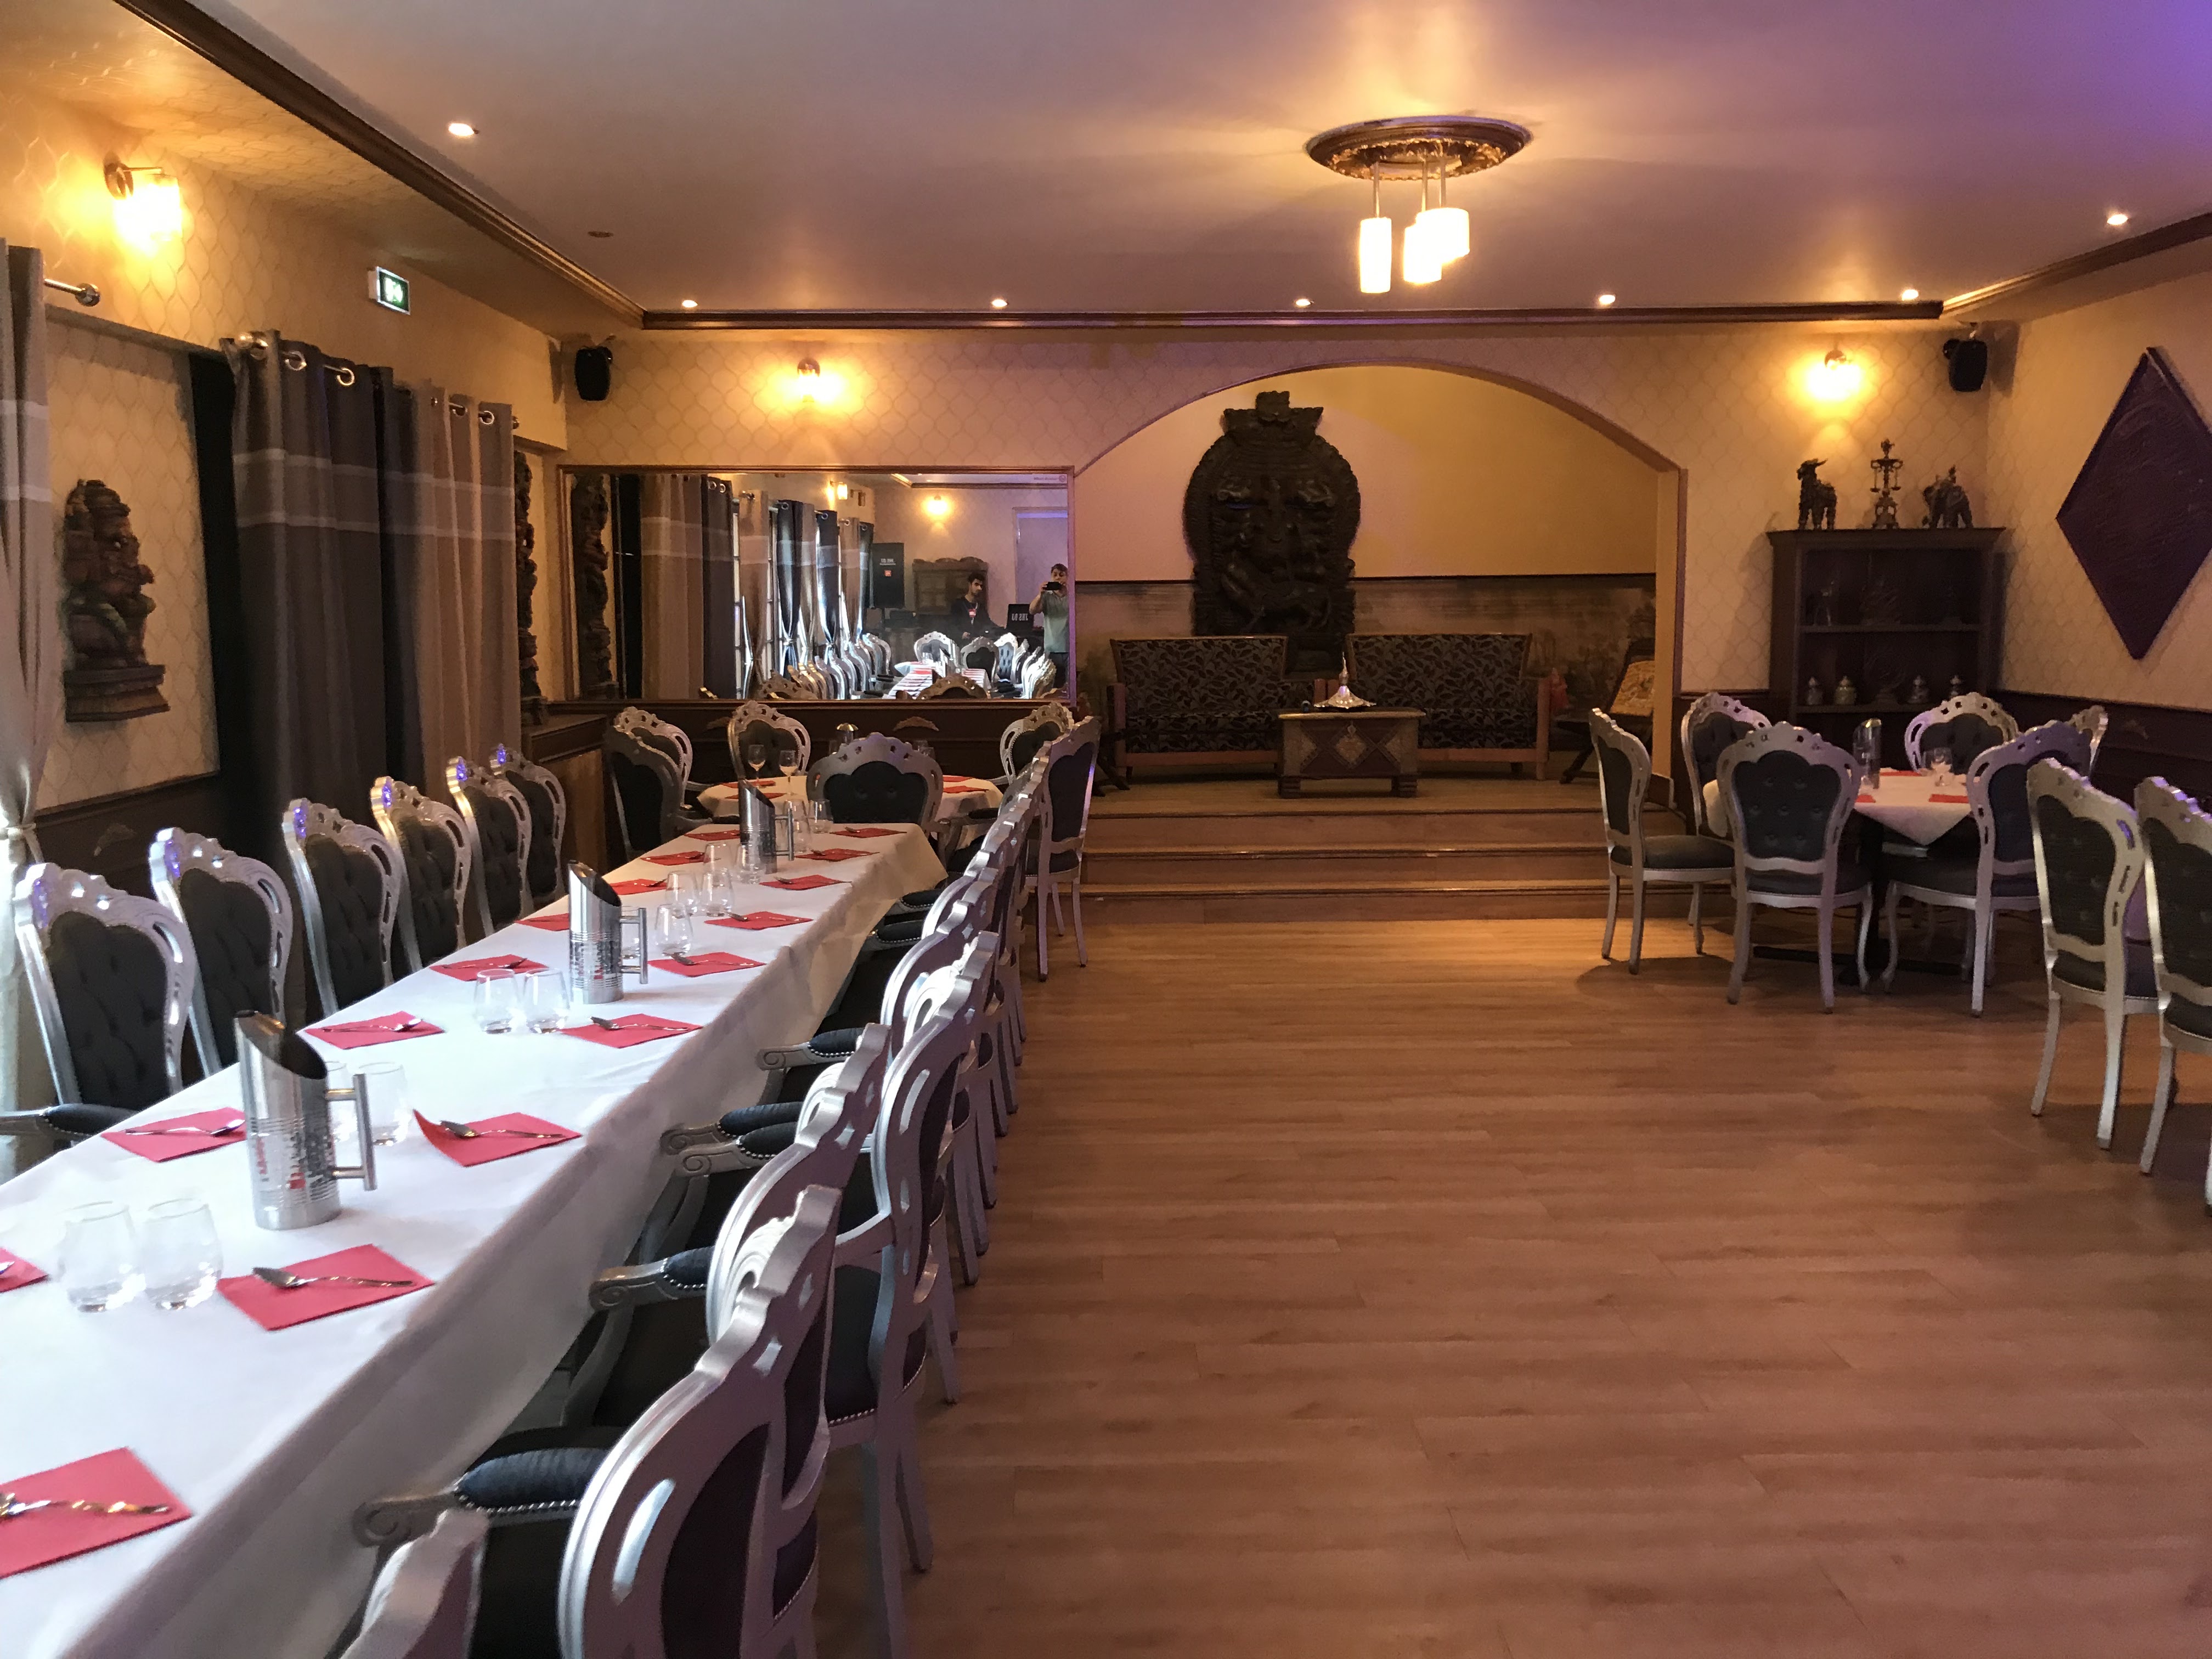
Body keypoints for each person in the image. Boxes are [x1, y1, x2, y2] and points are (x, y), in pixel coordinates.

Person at [1031, 562, 1070, 689]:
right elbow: (1032, 610)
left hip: (1069, 648)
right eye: (1055, 575)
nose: (1058, 578)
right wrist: (1040, 594)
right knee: (1051, 686)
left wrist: (1069, 589)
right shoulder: (1047, 597)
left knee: (1069, 686)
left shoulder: (1072, 596)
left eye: (1061, 575)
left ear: (1067, 577)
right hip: (1052, 648)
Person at [951, 573, 992, 640]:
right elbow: (952, 626)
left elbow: (988, 624)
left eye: (981, 586)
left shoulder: (980, 607)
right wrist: (962, 634)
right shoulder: (958, 605)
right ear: (970, 585)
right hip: (962, 643)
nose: (979, 588)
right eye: (976, 585)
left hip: (978, 642)